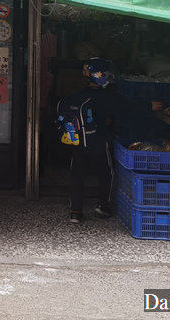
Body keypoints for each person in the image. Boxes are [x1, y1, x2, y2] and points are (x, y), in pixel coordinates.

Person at [57, 57, 118, 223]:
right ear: (101, 76)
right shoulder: (105, 97)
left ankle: (75, 211)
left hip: (78, 142)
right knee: (106, 172)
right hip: (98, 141)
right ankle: (103, 205)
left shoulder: (78, 96)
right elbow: (119, 112)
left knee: (77, 174)